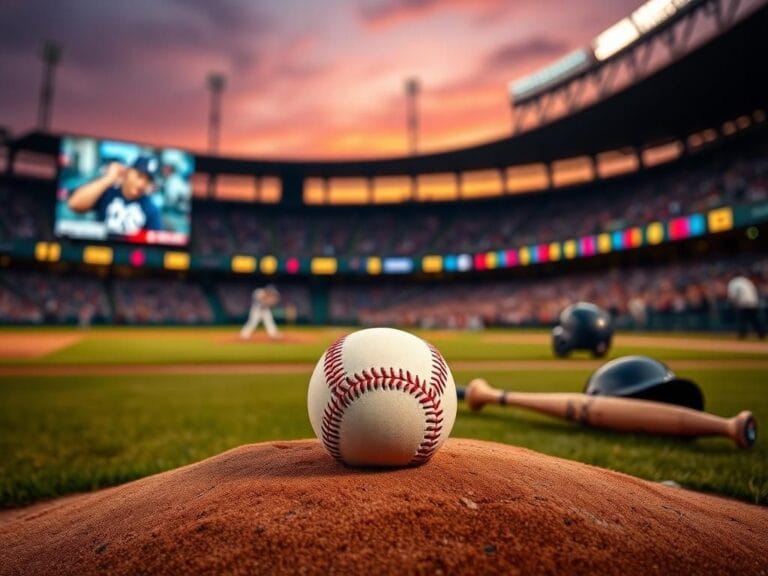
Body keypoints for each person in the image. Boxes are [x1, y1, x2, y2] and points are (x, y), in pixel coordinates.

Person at [67, 156, 162, 235]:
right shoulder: (108, 192)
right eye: (139, 176)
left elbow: (155, 244)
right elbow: (74, 204)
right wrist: (109, 178)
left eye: (148, 180)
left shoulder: (151, 209)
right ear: (128, 172)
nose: (141, 184)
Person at [727, 273, 765, 339]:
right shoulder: (746, 280)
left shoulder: (734, 282)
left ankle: (742, 335)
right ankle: (761, 334)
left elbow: (734, 295)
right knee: (755, 320)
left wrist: (733, 303)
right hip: (753, 303)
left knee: (742, 321)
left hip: (743, 304)